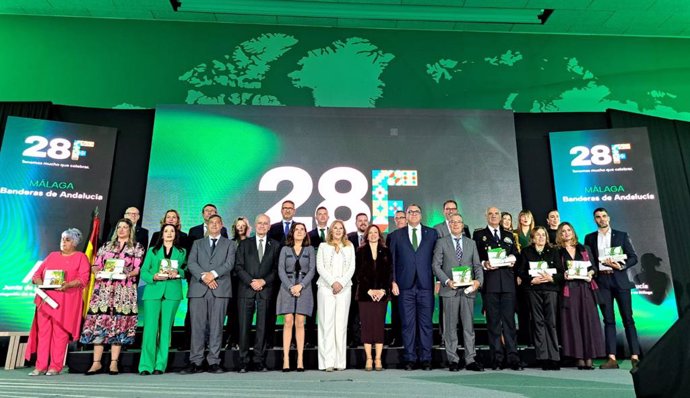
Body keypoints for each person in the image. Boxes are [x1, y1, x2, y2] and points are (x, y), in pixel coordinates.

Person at [81, 218, 144, 375]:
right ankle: (96, 363)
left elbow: (137, 269)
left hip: (124, 291)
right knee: (99, 324)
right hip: (104, 290)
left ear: (130, 230)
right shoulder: (106, 246)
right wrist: (98, 272)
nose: (122, 230)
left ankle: (114, 363)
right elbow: (95, 265)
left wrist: (126, 273)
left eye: (125, 227)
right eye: (119, 227)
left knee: (119, 324)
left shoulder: (137, 247)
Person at [25, 228, 90, 376]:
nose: (63, 242)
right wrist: (40, 283)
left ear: (74, 243)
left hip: (65, 302)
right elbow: (37, 274)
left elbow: (83, 279)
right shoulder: (52, 255)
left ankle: (55, 366)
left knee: (59, 336)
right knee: (43, 334)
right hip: (45, 300)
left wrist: (68, 284)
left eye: (67, 240)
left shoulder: (81, 257)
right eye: (62, 239)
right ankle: (40, 366)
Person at [584, 208, 640, 369]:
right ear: (595, 220)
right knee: (608, 320)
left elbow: (633, 257)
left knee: (628, 318)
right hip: (602, 281)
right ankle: (611, 358)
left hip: (620, 279)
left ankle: (635, 356)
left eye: (604, 216)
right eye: (598, 217)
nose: (601, 219)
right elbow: (589, 260)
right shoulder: (590, 238)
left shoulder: (621, 235)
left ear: (608, 217)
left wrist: (621, 266)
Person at [181, 214, 236, 374]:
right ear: (207, 224)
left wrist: (213, 274)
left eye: (217, 223)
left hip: (220, 290)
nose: (214, 225)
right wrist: (205, 277)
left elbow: (229, 264)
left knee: (216, 327)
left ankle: (214, 361)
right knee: (197, 327)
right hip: (199, 289)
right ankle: (195, 361)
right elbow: (191, 263)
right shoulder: (197, 243)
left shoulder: (230, 244)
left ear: (221, 225)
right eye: (211, 223)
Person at [432, 214, 484, 372]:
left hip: (468, 291)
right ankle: (453, 359)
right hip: (450, 290)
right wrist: (447, 281)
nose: (455, 224)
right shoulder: (441, 242)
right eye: (452, 222)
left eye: (458, 222)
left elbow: (477, 266)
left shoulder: (471, 243)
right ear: (449, 225)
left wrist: (478, 281)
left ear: (463, 225)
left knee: (469, 327)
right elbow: (435, 265)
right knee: (450, 327)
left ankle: (470, 359)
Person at [472, 207, 522, 370]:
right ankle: (497, 359)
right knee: (493, 323)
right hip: (490, 283)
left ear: (500, 217)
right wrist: (484, 264)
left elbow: (516, 253)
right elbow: (475, 257)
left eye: (497, 214)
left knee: (509, 322)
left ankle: (513, 358)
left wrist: (512, 258)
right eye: (491, 214)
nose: (494, 216)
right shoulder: (479, 235)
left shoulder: (509, 235)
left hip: (507, 283)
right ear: (486, 216)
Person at [389, 204, 438, 371]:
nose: (414, 214)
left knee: (426, 324)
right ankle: (410, 358)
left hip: (425, 286)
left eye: (417, 212)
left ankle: (426, 359)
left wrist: (438, 281)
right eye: (410, 212)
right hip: (405, 286)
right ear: (406, 216)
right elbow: (393, 261)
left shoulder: (431, 234)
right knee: (408, 324)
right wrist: (393, 281)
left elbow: (437, 260)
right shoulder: (396, 235)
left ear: (421, 215)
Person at [138, 224, 186, 375]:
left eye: (172, 231)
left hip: (172, 293)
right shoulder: (152, 251)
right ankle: (146, 365)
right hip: (153, 292)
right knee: (150, 330)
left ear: (176, 234)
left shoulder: (182, 252)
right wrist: (153, 276)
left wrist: (178, 271)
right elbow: (144, 271)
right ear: (162, 234)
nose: (169, 233)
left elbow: (186, 271)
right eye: (166, 231)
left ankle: (160, 365)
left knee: (165, 330)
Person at [235, 214, 280, 373]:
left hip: (265, 290)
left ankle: (259, 360)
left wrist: (263, 281)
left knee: (263, 327)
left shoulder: (275, 245)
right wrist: (251, 282)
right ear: (254, 226)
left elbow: (276, 269)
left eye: (265, 223)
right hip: (246, 290)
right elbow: (238, 267)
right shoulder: (244, 244)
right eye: (259, 223)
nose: (262, 226)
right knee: (244, 327)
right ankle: (243, 361)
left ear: (269, 226)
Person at [556, 222, 605, 370]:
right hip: (569, 290)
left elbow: (593, 268)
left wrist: (590, 274)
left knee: (588, 322)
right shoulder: (557, 252)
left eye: (568, 230)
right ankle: (578, 357)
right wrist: (563, 275)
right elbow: (557, 272)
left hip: (585, 289)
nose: (566, 233)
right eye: (563, 231)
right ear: (560, 234)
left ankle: (589, 356)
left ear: (573, 232)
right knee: (573, 323)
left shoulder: (584, 248)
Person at [517, 226, 564, 370]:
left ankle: (554, 357)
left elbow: (562, 273)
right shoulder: (526, 252)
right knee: (538, 322)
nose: (541, 237)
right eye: (538, 235)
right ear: (532, 237)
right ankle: (543, 357)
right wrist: (531, 280)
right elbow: (520, 272)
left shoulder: (554, 251)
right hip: (533, 290)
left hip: (550, 290)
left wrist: (552, 278)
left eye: (543, 235)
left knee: (551, 322)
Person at [316, 220, 355, 371]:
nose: (338, 231)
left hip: (345, 289)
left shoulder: (349, 247)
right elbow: (320, 267)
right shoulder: (323, 246)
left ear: (344, 231)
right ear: (331, 231)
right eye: (335, 228)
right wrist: (333, 283)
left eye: (341, 228)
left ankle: (340, 363)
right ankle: (327, 363)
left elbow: (352, 268)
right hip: (326, 289)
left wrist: (341, 283)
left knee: (341, 325)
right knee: (326, 325)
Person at [277, 222, 316, 372]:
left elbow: (312, 270)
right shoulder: (285, 249)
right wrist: (290, 286)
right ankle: (286, 358)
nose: (299, 231)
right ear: (292, 233)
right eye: (297, 229)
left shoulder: (310, 249)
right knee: (288, 321)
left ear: (306, 232)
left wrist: (301, 286)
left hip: (304, 288)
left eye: (302, 229)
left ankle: (300, 358)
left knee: (300, 321)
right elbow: (280, 270)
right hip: (287, 287)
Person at [355, 225, 392, 371]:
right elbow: (358, 273)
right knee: (367, 327)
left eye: (375, 232)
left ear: (379, 235)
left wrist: (383, 290)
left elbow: (389, 272)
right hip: (365, 295)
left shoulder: (386, 251)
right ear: (366, 235)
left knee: (378, 327)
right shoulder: (360, 251)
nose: (373, 235)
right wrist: (369, 290)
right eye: (370, 233)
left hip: (381, 295)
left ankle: (378, 359)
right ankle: (369, 359)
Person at [224, 216, 251, 350]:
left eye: (243, 225)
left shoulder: (252, 243)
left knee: (244, 313)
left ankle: (242, 340)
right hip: (232, 282)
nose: (240, 228)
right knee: (232, 312)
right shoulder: (230, 243)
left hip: (247, 282)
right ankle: (231, 340)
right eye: (238, 225)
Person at [306, 206, 329, 346]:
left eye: (324, 214)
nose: (322, 216)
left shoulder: (334, 234)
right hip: (313, 279)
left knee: (327, 311)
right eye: (319, 214)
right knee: (312, 310)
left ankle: (326, 340)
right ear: (316, 217)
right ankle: (310, 339)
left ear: (328, 217)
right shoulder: (309, 235)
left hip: (330, 280)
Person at [347, 212, 369, 348]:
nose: (362, 223)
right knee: (353, 312)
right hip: (352, 282)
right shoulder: (348, 238)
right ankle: (354, 340)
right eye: (360, 220)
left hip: (370, 283)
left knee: (369, 312)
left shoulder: (375, 237)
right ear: (356, 223)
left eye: (365, 220)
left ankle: (369, 339)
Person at [385, 210, 407, 348]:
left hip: (412, 280)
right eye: (396, 218)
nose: (399, 220)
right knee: (396, 311)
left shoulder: (413, 234)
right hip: (396, 281)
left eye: (401, 217)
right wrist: (392, 280)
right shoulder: (391, 236)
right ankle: (396, 338)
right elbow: (389, 260)